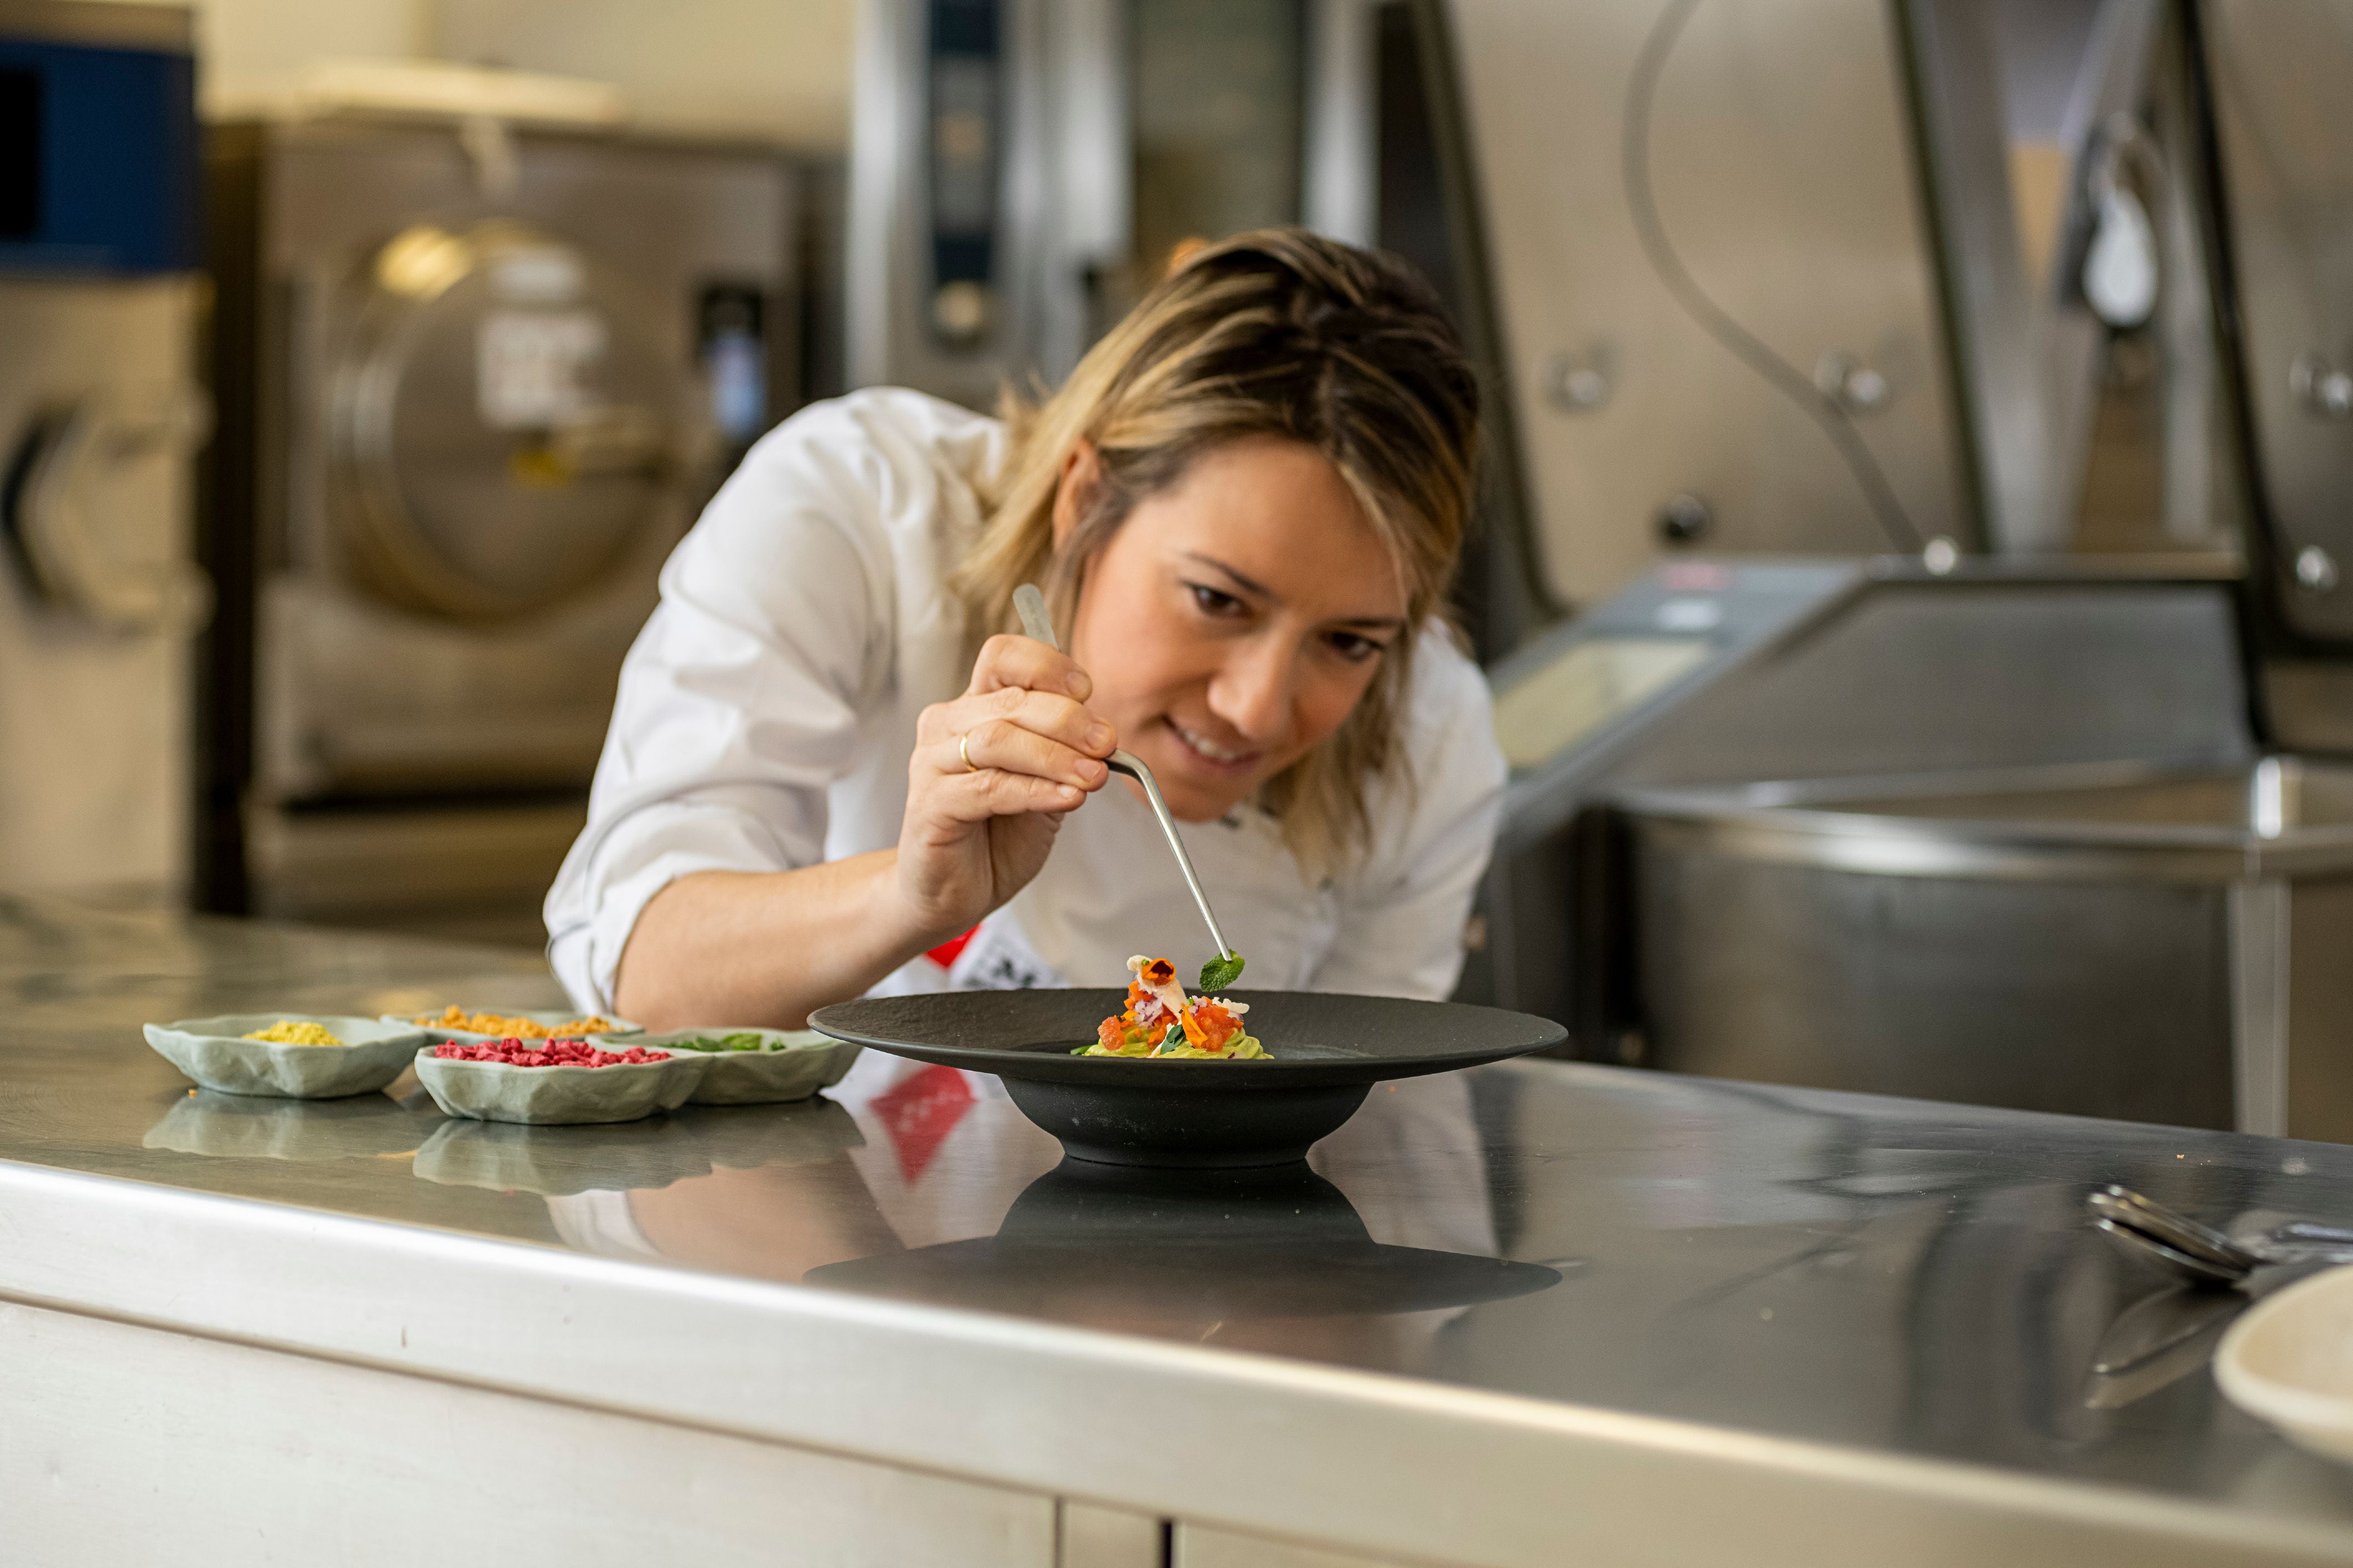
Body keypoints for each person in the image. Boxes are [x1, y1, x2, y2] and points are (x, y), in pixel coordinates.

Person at [545, 228, 1504, 1029]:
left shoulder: (1431, 731)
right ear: (1085, 497)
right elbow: (644, 965)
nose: (1255, 708)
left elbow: (1366, 1115)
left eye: (1350, 642)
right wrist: (907, 899)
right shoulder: (855, 511)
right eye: (1218, 600)